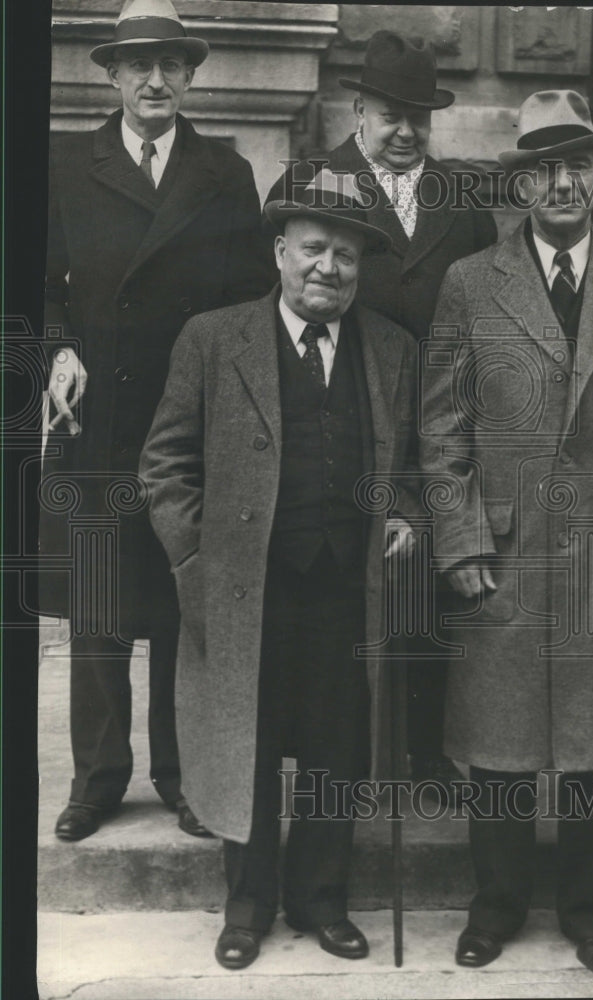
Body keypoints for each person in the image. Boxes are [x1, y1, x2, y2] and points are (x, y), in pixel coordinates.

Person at [419, 90, 593, 975]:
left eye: (577, 165)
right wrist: (459, 540)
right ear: (521, 185)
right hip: (508, 546)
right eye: (542, 169)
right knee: (497, 749)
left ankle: (592, 915)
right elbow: (444, 426)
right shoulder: (472, 282)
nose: (562, 182)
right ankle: (494, 907)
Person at [140, 171, 420, 970]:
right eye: (311, 250)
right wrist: (194, 554)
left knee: (336, 747)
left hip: (345, 589)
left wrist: (404, 513)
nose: (327, 268)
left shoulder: (392, 349)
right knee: (247, 744)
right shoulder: (213, 337)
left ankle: (321, 899)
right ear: (279, 253)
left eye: (344, 254)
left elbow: (414, 466)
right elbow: (164, 463)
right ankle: (249, 904)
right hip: (244, 589)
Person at [42, 0, 270, 843]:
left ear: (192, 75)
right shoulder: (68, 164)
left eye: (171, 64)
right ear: (110, 74)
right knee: (99, 604)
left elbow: (253, 298)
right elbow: (34, 283)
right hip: (97, 416)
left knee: (184, 598)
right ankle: (98, 779)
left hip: (188, 421)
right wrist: (56, 349)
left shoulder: (225, 172)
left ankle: (182, 775)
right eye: (137, 64)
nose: (155, 79)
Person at [267, 29, 498, 794]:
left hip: (440, 423)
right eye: (391, 114)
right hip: (347, 411)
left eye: (420, 117)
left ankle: (428, 752)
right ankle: (349, 751)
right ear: (359, 107)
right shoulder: (313, 179)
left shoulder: (460, 196)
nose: (405, 131)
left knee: (430, 586)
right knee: (351, 589)